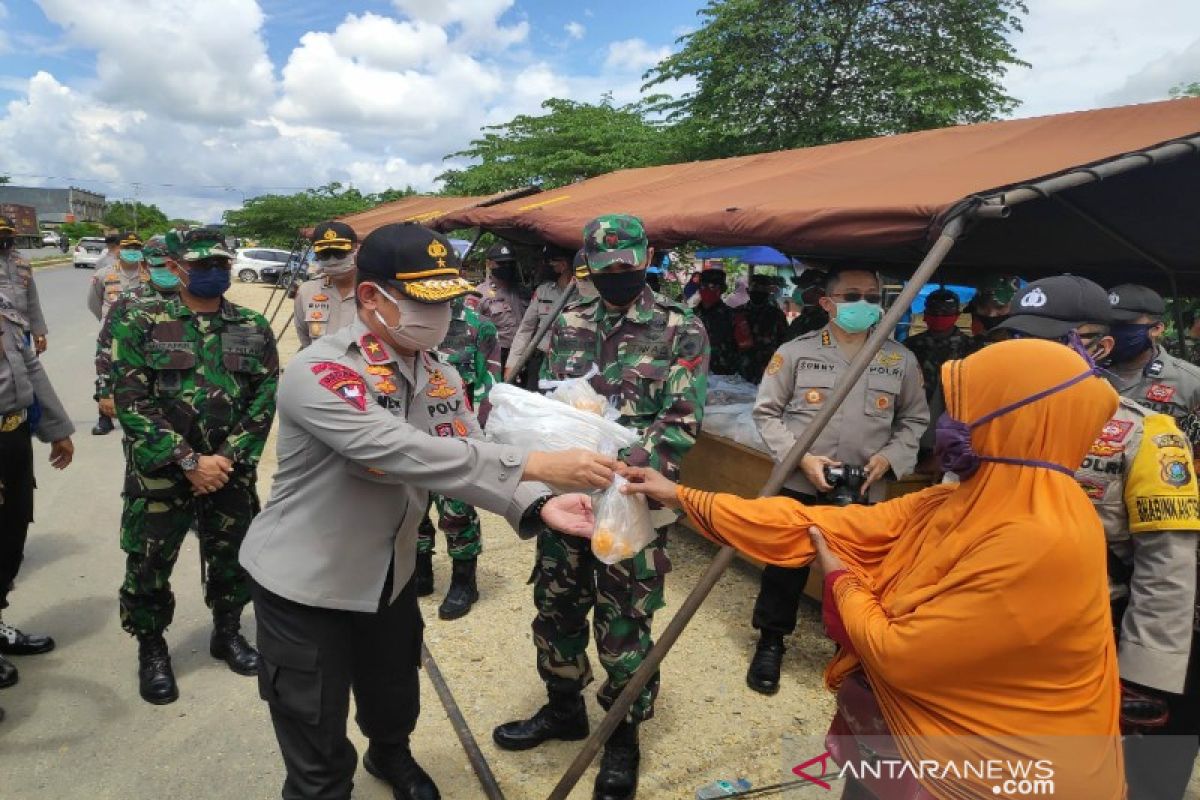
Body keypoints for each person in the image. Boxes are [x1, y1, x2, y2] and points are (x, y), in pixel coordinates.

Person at [619, 337, 1126, 800]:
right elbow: (815, 522)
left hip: (988, 775)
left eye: (967, 409)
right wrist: (682, 495)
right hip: (912, 749)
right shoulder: (959, 501)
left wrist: (843, 580)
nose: (947, 424)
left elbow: (903, 655)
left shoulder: (1043, 538)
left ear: (1015, 420)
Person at [237, 222, 616, 800]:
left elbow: (467, 449)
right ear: (372, 297)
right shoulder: (322, 371)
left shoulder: (437, 371)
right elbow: (397, 451)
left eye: (446, 303)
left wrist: (539, 503)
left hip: (390, 575)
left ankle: (392, 757)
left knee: (393, 695)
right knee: (314, 732)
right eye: (422, 302)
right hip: (308, 584)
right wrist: (538, 464)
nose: (439, 318)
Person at [493, 214, 709, 800]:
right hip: (566, 494)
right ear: (588, 263)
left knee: (624, 619)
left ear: (644, 259)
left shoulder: (680, 326)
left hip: (632, 498)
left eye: (626, 263)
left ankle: (621, 737)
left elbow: (682, 420)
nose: (617, 273)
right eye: (605, 264)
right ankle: (564, 708)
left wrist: (619, 469)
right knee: (556, 605)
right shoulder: (570, 321)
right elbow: (553, 405)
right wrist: (553, 466)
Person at [997, 276, 1200, 800]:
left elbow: (1168, 566)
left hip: (1090, 635)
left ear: (1100, 347)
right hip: (1002, 625)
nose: (1029, 355)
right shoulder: (990, 420)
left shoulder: (1147, 434)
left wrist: (1145, 675)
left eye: (1052, 341)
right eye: (1019, 339)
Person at [111, 227, 277, 705]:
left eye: (220, 264)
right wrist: (188, 460)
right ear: (178, 267)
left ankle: (227, 633)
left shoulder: (251, 325)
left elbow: (264, 398)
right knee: (148, 563)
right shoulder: (139, 320)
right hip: (161, 473)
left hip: (229, 471)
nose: (212, 273)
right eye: (201, 265)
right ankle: (152, 647)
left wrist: (224, 459)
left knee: (231, 555)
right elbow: (131, 401)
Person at [747, 265, 928, 695]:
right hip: (801, 482)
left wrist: (889, 458)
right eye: (852, 296)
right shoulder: (796, 352)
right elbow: (766, 413)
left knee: (856, 573)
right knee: (785, 567)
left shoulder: (898, 360)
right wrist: (801, 459)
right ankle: (771, 642)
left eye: (872, 295)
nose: (864, 304)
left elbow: (915, 419)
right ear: (827, 303)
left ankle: (847, 648)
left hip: (864, 488)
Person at [0, 288, 74, 706]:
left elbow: (30, 369)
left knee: (10, 541)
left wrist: (57, 428)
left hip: (12, 438)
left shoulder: (5, 307)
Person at [415, 293, 503, 620]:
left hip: (455, 434)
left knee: (457, 509)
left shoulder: (478, 328)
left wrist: (479, 439)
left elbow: (488, 386)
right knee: (412, 506)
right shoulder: (400, 321)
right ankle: (420, 570)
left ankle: (464, 580)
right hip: (409, 431)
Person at [1105, 284, 1200, 459]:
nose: (1114, 332)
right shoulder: (1084, 373)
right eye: (1109, 323)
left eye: (1124, 325)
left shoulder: (1190, 382)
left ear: (1156, 329)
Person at [94, 237, 181, 423]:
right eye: (159, 264)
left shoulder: (196, 300)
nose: (166, 269)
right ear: (145, 265)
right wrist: (105, 391)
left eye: (171, 263)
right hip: (141, 402)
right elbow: (106, 347)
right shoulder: (127, 303)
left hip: (185, 402)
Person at [903, 288, 975, 472]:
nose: (939, 317)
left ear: (957, 316)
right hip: (913, 417)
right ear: (925, 314)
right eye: (934, 313)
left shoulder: (971, 348)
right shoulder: (910, 346)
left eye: (945, 313)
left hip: (953, 421)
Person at [88, 232, 149, 435]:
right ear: (118, 250)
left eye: (136, 248)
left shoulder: (149, 277)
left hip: (142, 335)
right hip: (111, 335)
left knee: (141, 376)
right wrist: (107, 324)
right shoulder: (103, 274)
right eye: (127, 248)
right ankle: (104, 418)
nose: (132, 252)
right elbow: (94, 303)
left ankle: (140, 416)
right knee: (106, 374)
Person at [507, 244, 575, 388]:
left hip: (572, 361)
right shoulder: (543, 291)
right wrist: (513, 363)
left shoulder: (583, 292)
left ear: (564, 264)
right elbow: (525, 329)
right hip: (541, 361)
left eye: (550, 262)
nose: (546, 267)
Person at [294, 221, 359, 349]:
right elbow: (305, 338)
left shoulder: (375, 289)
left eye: (339, 253)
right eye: (324, 254)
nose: (332, 260)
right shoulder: (307, 290)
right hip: (321, 365)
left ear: (355, 248)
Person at [477, 241, 529, 371]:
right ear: (489, 264)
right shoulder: (479, 294)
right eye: (501, 264)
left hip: (522, 353)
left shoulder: (523, 291)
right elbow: (472, 330)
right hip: (494, 354)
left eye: (510, 263)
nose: (506, 267)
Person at [0, 217, 48, 356]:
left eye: (6, 234)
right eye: (0, 234)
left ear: (13, 235)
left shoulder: (22, 262)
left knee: (25, 373)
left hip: (22, 331)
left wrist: (39, 332)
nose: (3, 238)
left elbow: (32, 301)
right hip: (2, 331)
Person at [735, 273, 788, 384]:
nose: (758, 293)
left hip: (768, 368)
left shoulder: (776, 315)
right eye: (755, 288)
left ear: (768, 293)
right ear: (748, 291)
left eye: (763, 289)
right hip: (741, 368)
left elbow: (784, 343)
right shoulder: (737, 313)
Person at [694, 268, 740, 376]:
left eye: (713, 287)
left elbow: (743, 348)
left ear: (722, 290)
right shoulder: (690, 315)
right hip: (694, 374)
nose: (707, 290)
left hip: (723, 376)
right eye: (703, 286)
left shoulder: (733, 316)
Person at [965, 274, 1019, 348]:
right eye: (983, 307)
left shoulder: (1026, 346)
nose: (991, 314)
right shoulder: (964, 347)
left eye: (1000, 307)